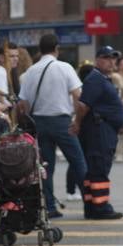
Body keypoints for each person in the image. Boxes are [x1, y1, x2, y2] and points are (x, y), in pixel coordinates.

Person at [17, 34, 85, 216]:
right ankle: (90, 202)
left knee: (46, 166)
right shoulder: (65, 67)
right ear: (56, 48)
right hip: (62, 121)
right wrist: (77, 121)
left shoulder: (30, 72)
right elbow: (78, 96)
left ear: (40, 50)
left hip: (39, 122)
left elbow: (22, 103)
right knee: (77, 161)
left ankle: (49, 207)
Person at [77, 47, 123, 220]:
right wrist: (77, 124)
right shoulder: (96, 78)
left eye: (114, 58)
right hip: (99, 129)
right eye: (107, 58)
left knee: (94, 170)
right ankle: (101, 207)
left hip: (103, 128)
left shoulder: (102, 78)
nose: (112, 61)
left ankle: (92, 206)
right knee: (99, 168)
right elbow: (83, 105)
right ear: (97, 60)